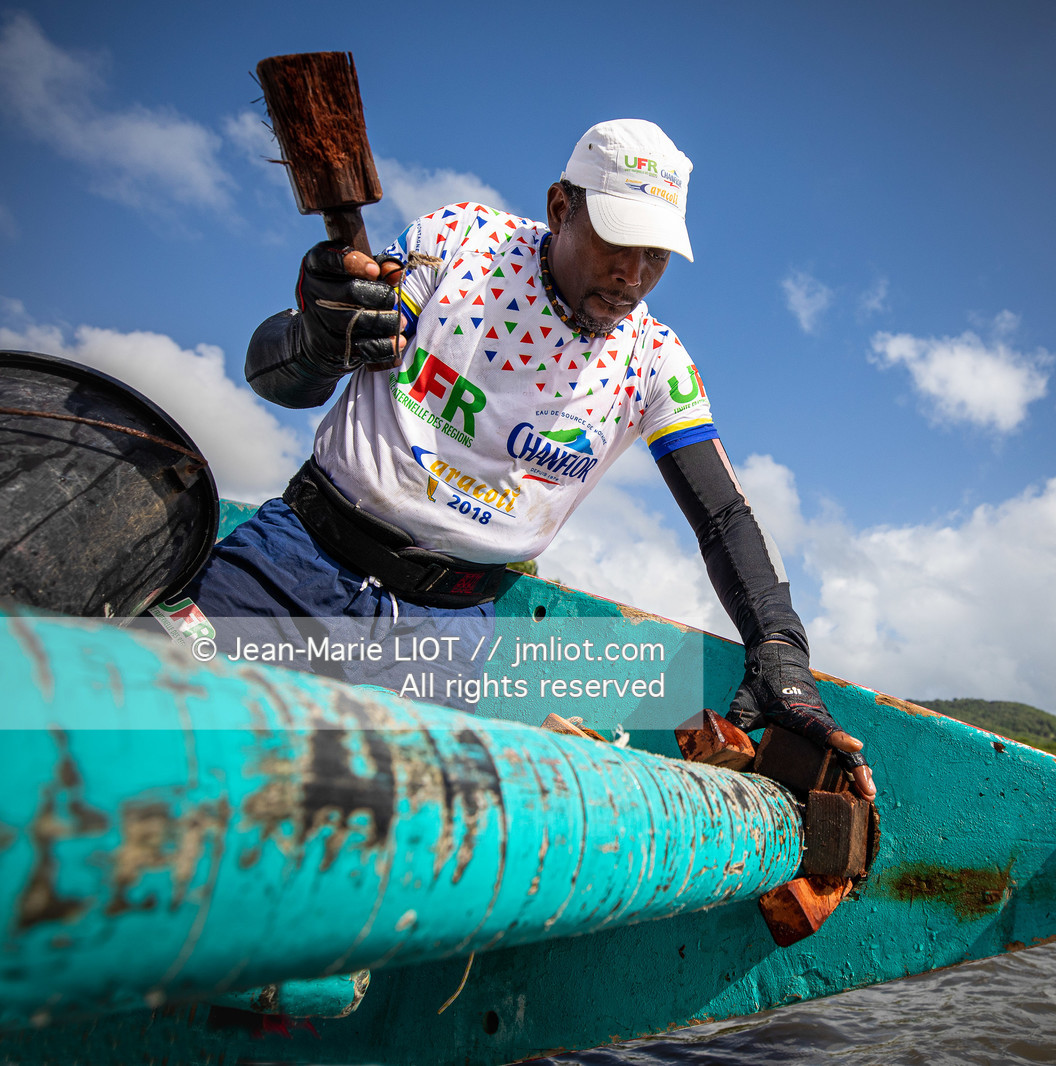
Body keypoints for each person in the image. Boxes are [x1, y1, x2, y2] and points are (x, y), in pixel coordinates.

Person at [173, 119, 873, 798]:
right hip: (299, 567)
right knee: (141, 728)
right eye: (618, 241)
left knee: (367, 841)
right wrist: (316, 340)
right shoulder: (458, 246)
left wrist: (781, 648)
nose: (632, 275)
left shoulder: (654, 361)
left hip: (441, 639)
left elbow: (724, 515)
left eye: (656, 257)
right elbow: (278, 379)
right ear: (560, 207)